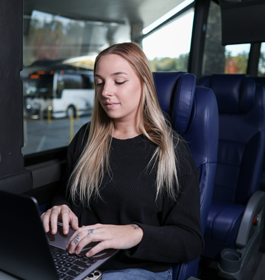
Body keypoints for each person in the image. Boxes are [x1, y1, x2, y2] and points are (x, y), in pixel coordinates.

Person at [40, 43, 203, 280]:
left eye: (119, 81)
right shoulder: (86, 137)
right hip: (77, 258)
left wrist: (135, 233)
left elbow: (190, 240)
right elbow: (67, 193)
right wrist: (60, 206)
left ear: (143, 83)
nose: (105, 91)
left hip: (137, 268)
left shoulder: (171, 152)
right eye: (99, 82)